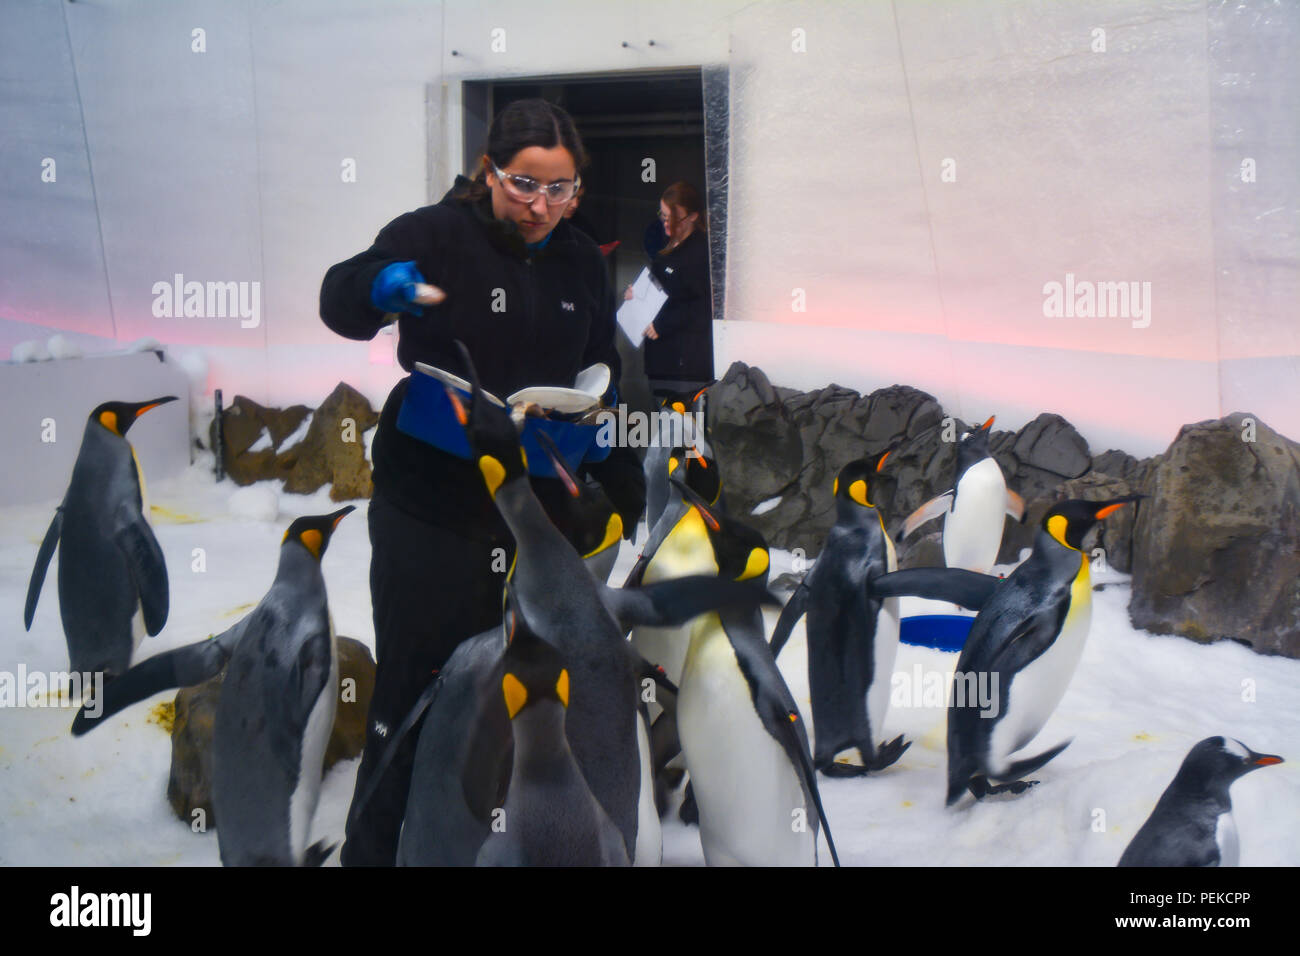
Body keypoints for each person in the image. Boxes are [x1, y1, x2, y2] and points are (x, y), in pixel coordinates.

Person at [319, 98, 645, 866]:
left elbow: (604, 370)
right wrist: (377, 288)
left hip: (531, 516)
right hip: (432, 504)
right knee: (415, 691)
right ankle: (373, 851)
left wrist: (616, 471)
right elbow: (340, 299)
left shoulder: (580, 263)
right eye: (525, 185)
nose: (541, 206)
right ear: (490, 170)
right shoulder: (434, 235)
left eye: (560, 190)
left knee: (526, 700)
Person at [630, 181, 714, 395]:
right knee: (664, 423)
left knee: (678, 426)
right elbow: (661, 291)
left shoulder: (700, 253)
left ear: (693, 217)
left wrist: (663, 324)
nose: (666, 223)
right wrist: (638, 294)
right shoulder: (668, 248)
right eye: (663, 216)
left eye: (673, 218)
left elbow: (703, 307)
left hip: (684, 365)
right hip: (661, 362)